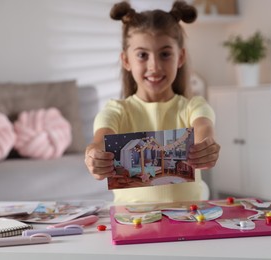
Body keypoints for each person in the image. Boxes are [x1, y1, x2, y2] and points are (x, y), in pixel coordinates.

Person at [84, 0, 220, 203]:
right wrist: (94, 156)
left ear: (180, 57)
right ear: (126, 60)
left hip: (189, 220)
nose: (154, 66)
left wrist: (205, 148)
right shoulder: (116, 110)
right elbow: (100, 140)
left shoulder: (194, 106)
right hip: (131, 222)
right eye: (142, 55)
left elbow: (203, 129)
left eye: (165, 54)